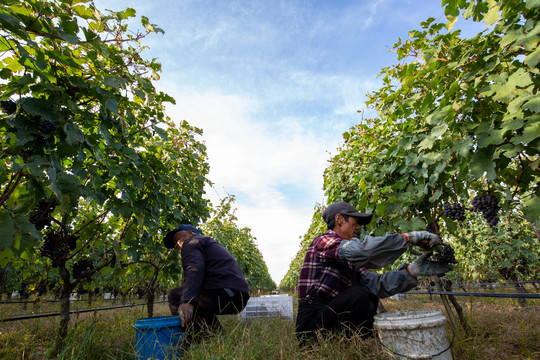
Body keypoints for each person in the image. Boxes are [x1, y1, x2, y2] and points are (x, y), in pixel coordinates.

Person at [295, 201, 452, 343]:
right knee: (358, 295)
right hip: (311, 323)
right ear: (339, 220)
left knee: (369, 294)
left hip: (330, 314)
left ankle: (354, 342)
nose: (358, 228)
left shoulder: (350, 260)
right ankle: (324, 341)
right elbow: (361, 251)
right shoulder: (323, 241)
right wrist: (406, 238)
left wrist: (412, 272)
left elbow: (376, 283)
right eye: (355, 222)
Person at [163, 224, 250, 342]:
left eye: (177, 239)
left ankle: (189, 342)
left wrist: (187, 301)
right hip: (236, 294)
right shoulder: (207, 243)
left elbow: (194, 269)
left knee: (175, 295)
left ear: (189, 233)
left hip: (225, 292)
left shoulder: (191, 242)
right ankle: (219, 337)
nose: (176, 245)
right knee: (196, 302)